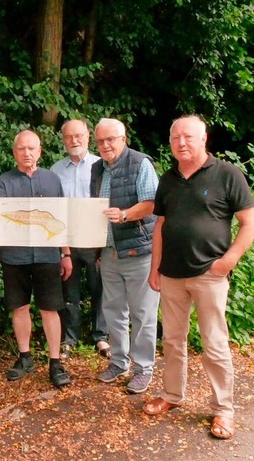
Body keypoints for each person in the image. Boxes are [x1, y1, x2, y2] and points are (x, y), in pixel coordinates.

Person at [142, 115, 254, 440]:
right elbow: (161, 226)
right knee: (172, 341)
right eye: (175, 137)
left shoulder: (227, 174)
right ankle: (172, 395)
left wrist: (229, 259)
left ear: (203, 138)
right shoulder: (168, 178)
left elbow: (250, 223)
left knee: (215, 344)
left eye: (188, 137)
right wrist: (155, 269)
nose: (181, 142)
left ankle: (224, 409)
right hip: (172, 276)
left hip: (210, 275)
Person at [0, 130, 72, 388]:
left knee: (50, 308)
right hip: (15, 255)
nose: (27, 153)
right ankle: (25, 356)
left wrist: (66, 253)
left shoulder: (52, 180)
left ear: (40, 151)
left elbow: (62, 221)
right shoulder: (4, 182)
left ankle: (55, 361)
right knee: (20, 306)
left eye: (32, 148)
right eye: (22, 149)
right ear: (15, 152)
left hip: (48, 254)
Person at [90, 118, 160, 394]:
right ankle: (119, 362)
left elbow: (152, 203)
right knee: (113, 311)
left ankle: (144, 369)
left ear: (123, 138)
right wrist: (97, 248)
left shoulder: (140, 163)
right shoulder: (97, 168)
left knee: (143, 313)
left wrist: (125, 215)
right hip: (108, 252)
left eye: (111, 139)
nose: (105, 145)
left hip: (139, 251)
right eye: (101, 141)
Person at [50, 119, 110, 359]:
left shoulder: (102, 165)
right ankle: (70, 338)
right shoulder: (55, 169)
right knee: (69, 293)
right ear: (63, 140)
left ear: (88, 137)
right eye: (68, 136)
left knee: (100, 289)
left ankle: (101, 337)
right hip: (67, 241)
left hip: (96, 242)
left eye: (79, 136)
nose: (74, 140)